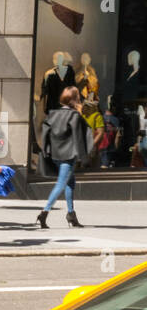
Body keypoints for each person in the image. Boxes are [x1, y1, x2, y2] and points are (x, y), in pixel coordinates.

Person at [37, 86, 91, 229]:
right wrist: (84, 158)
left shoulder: (52, 114)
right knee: (61, 184)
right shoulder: (74, 116)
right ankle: (44, 212)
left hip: (55, 154)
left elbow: (45, 134)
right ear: (75, 99)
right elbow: (78, 138)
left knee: (69, 183)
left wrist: (45, 151)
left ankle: (71, 214)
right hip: (68, 155)